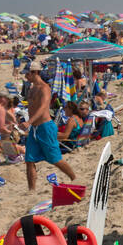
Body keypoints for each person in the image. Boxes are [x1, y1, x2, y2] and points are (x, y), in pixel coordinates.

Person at [23, 62, 78, 190]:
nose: (26, 76)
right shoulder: (31, 88)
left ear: (35, 72)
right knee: (29, 160)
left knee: (55, 159)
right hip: (35, 129)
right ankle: (31, 191)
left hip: (45, 127)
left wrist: (28, 122)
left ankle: (75, 178)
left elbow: (43, 108)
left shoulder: (44, 88)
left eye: (27, 73)